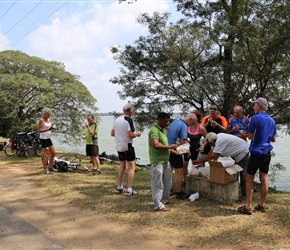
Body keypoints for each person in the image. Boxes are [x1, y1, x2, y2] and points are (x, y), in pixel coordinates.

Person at [238, 97, 276, 215]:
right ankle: (262, 205)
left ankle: (248, 206)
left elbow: (249, 136)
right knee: (264, 178)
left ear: (259, 106)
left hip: (256, 152)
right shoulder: (271, 120)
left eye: (254, 105)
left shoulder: (255, 118)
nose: (253, 107)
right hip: (267, 152)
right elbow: (273, 138)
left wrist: (245, 133)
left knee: (249, 178)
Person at [193, 132, 249, 198]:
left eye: (210, 143)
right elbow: (210, 153)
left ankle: (245, 194)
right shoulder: (216, 138)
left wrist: (199, 161)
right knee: (234, 172)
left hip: (242, 151)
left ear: (212, 141)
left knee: (242, 173)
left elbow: (213, 156)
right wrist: (201, 163)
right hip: (236, 152)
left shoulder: (220, 141)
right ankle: (236, 190)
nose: (210, 145)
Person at [148, 112, 177, 211]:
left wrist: (176, 152)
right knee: (157, 183)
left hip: (166, 161)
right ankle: (158, 205)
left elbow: (165, 146)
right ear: (159, 119)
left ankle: (164, 199)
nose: (167, 123)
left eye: (168, 121)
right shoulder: (154, 131)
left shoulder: (163, 131)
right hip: (157, 162)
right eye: (166, 121)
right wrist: (170, 146)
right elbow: (156, 145)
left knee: (168, 182)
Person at [111, 104, 141, 196]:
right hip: (128, 145)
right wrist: (137, 134)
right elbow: (131, 134)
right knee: (131, 167)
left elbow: (112, 133)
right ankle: (130, 189)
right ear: (131, 112)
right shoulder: (129, 120)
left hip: (119, 145)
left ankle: (119, 186)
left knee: (122, 166)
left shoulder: (116, 120)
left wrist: (120, 136)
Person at [167, 113, 195, 199]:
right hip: (175, 149)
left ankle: (168, 189)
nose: (192, 125)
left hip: (168, 148)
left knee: (168, 171)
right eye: (193, 123)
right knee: (179, 172)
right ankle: (179, 192)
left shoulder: (176, 122)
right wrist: (188, 151)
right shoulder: (184, 125)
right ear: (190, 119)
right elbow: (183, 141)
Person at [182, 112, 207, 184]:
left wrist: (203, 146)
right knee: (184, 165)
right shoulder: (187, 126)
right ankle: (185, 180)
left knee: (196, 166)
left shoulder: (201, 128)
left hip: (196, 149)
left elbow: (207, 138)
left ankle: (195, 180)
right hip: (186, 149)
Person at [38, 107, 58, 174]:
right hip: (43, 139)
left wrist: (54, 127)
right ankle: (45, 170)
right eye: (48, 114)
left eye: (50, 114)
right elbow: (40, 130)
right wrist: (49, 129)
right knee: (46, 154)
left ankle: (50, 167)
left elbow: (50, 126)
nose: (49, 116)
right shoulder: (41, 120)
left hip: (48, 138)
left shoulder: (49, 119)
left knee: (53, 153)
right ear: (44, 114)